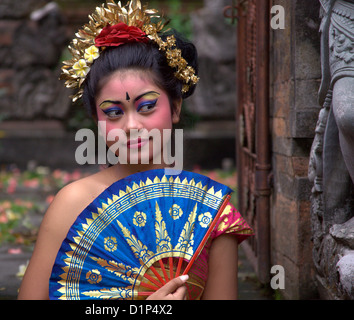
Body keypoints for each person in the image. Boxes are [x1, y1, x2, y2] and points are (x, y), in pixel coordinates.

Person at [18, 0, 253, 300]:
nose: (131, 126)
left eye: (147, 106)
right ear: (97, 121)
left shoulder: (211, 213)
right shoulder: (72, 204)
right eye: (114, 112)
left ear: (176, 107)